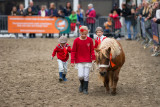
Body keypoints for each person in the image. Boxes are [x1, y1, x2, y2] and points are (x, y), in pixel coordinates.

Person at [71, 26, 95, 94]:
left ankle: (85, 88)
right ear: (80, 33)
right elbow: (73, 51)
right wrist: (72, 61)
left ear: (87, 33)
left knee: (86, 75)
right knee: (80, 75)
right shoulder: (76, 40)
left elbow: (92, 50)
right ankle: (81, 84)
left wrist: (93, 58)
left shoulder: (90, 40)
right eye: (82, 34)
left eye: (85, 34)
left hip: (87, 60)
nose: (84, 35)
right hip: (79, 60)